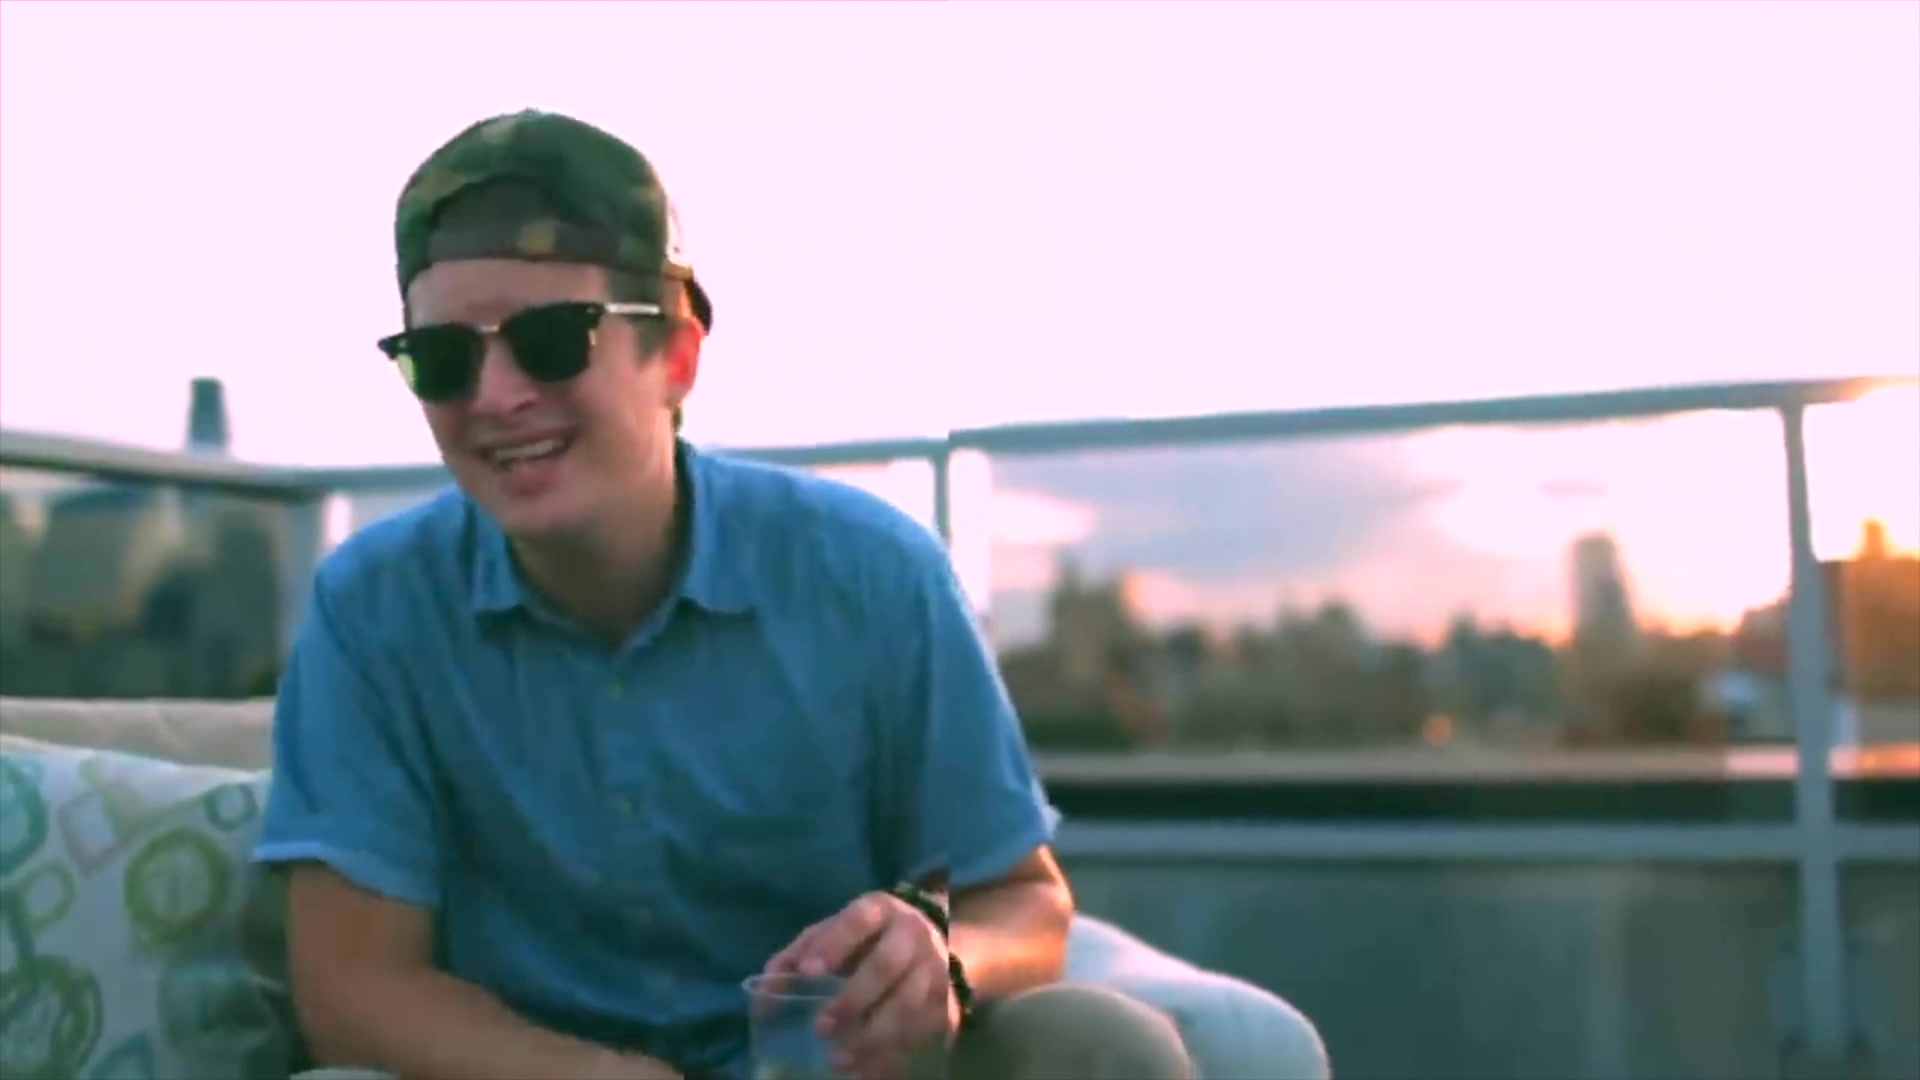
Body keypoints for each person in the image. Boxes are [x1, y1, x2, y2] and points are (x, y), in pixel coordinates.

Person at [254, 109, 1193, 1080]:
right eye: (443, 357)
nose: (493, 396)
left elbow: (1023, 903)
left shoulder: (869, 576)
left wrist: (946, 961)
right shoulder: (373, 610)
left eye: (551, 340)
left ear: (677, 355)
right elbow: (354, 988)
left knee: (1105, 1047)